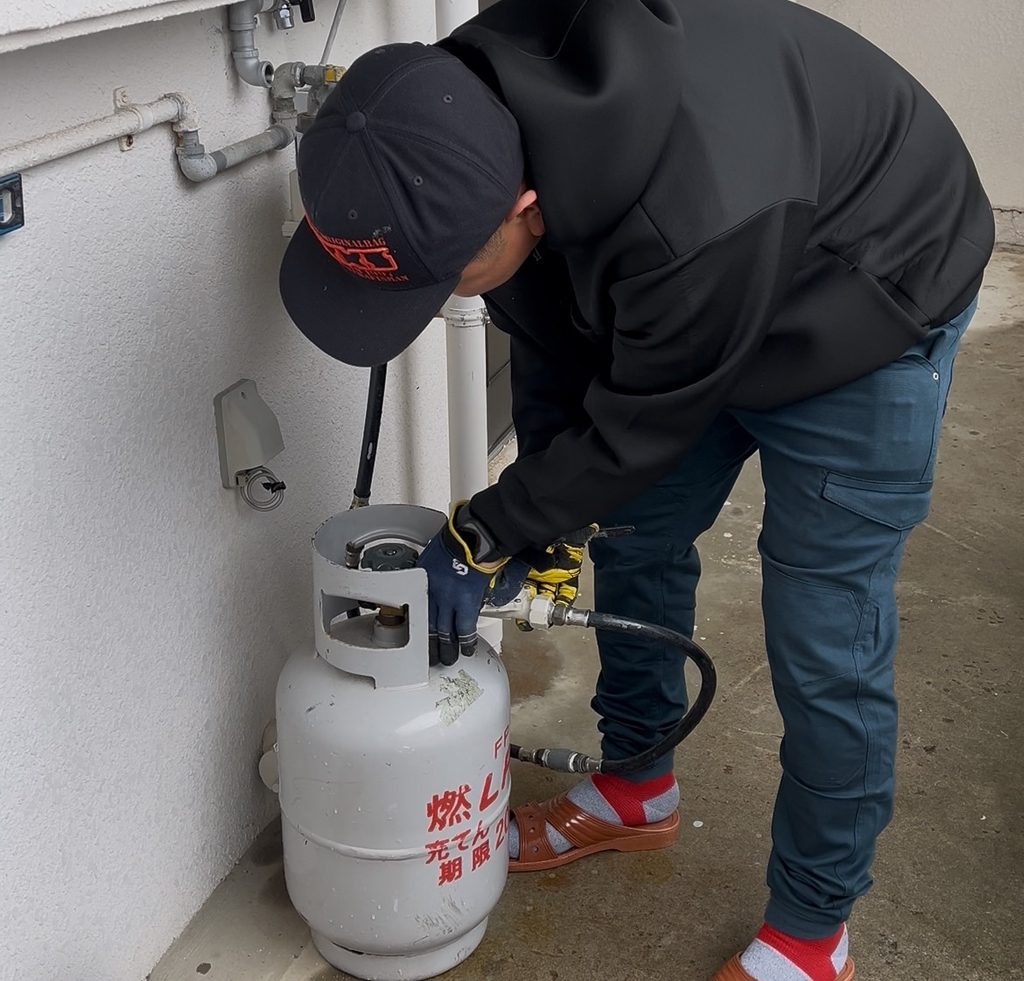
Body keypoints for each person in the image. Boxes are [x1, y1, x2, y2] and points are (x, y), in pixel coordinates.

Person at [278, 1, 994, 977]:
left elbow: (640, 424)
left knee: (824, 627)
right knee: (634, 532)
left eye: (441, 278)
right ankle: (637, 786)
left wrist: (487, 527)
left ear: (526, 206)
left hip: (866, 292)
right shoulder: (464, 127)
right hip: (711, 286)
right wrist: (538, 512)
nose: (439, 300)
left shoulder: (688, 222)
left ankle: (813, 927)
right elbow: (550, 340)